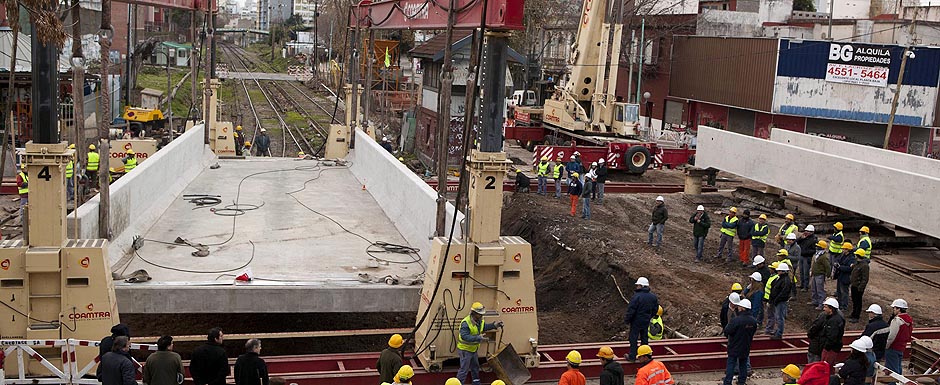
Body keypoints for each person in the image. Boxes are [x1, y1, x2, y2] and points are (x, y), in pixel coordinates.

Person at [456, 302, 504, 385]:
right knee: (464, 370)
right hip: (465, 350)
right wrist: (477, 338)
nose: (481, 315)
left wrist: (494, 325)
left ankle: (476, 382)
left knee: (475, 367)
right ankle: (459, 383)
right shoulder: (466, 323)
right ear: (474, 313)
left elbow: (484, 327)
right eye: (479, 314)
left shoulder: (479, 321)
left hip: (473, 350)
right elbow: (464, 336)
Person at [723, 299, 758, 385]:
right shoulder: (753, 321)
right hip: (746, 346)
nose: (738, 308)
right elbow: (753, 332)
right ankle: (742, 381)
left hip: (734, 345)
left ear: (742, 308)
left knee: (731, 364)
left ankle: (727, 382)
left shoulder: (736, 320)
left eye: (739, 306)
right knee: (743, 364)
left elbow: (727, 331)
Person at [625, 277, 659, 362]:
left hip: (636, 321)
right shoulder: (653, 297)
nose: (637, 287)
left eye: (638, 285)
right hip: (646, 320)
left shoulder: (637, 297)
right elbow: (655, 309)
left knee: (633, 338)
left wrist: (627, 319)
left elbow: (631, 309)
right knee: (644, 338)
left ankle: (632, 357)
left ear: (641, 286)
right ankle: (645, 356)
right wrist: (649, 316)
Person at [807, 297, 845, 365]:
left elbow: (832, 337)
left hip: (821, 347)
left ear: (831, 309)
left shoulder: (834, 321)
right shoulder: (830, 317)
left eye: (825, 307)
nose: (823, 309)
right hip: (819, 346)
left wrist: (826, 348)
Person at [884, 299, 914, 377]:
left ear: (898, 309)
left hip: (893, 347)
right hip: (901, 347)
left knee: (892, 370)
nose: (893, 310)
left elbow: (891, 336)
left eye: (894, 308)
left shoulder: (897, 320)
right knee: (897, 367)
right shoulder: (909, 320)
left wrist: (886, 346)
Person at [766, 263, 794, 340]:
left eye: (779, 270)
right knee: (778, 317)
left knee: (780, 317)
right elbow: (774, 290)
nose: (777, 272)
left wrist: (776, 300)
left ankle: (779, 333)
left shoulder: (785, 281)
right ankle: (778, 331)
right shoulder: (780, 279)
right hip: (777, 301)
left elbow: (784, 293)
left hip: (781, 302)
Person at [848, 249, 870, 323]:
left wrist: (860, 287)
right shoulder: (858, 263)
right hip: (854, 285)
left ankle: (856, 316)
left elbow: (865, 278)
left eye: (855, 254)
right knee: (854, 300)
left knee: (858, 301)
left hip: (858, 287)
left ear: (858, 255)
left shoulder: (864, 266)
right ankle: (854, 313)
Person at [834, 242, 855, 312]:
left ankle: (844, 306)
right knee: (839, 292)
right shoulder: (843, 255)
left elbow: (849, 268)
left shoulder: (851, 258)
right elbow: (838, 260)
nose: (843, 250)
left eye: (844, 249)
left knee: (844, 292)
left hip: (845, 277)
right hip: (840, 276)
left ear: (847, 250)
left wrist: (840, 267)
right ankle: (839, 304)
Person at [809, 240, 831, 309]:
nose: (816, 247)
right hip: (815, 274)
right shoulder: (817, 254)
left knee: (820, 290)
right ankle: (815, 301)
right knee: (813, 289)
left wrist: (828, 274)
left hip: (820, 275)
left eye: (818, 246)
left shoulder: (824, 257)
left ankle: (821, 304)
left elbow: (828, 266)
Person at [797, 225, 818, 292]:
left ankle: (806, 286)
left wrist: (805, 252)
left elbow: (814, 250)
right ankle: (802, 284)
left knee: (806, 272)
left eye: (808, 231)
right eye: (806, 231)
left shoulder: (814, 240)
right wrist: (801, 238)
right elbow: (797, 242)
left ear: (812, 232)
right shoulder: (804, 237)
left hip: (807, 257)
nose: (806, 232)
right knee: (801, 271)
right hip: (801, 256)